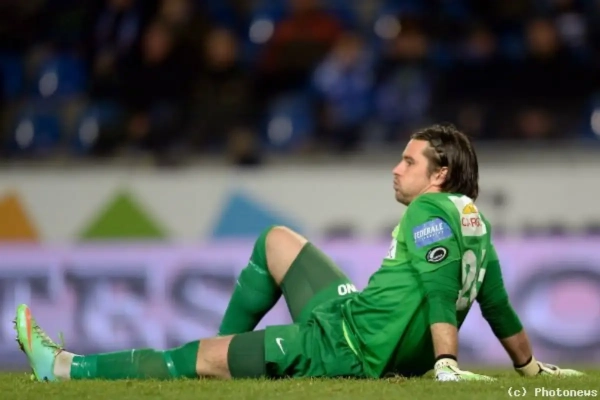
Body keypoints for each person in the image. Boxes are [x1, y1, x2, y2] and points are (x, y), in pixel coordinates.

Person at [15, 124, 583, 382]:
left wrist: (446, 365)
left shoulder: (426, 210)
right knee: (277, 241)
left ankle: (62, 368)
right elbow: (496, 302)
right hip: (353, 317)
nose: (395, 168)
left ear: (440, 174)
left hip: (344, 347)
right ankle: (230, 357)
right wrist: (529, 368)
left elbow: (439, 291)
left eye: (408, 161)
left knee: (193, 357)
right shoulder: (474, 221)